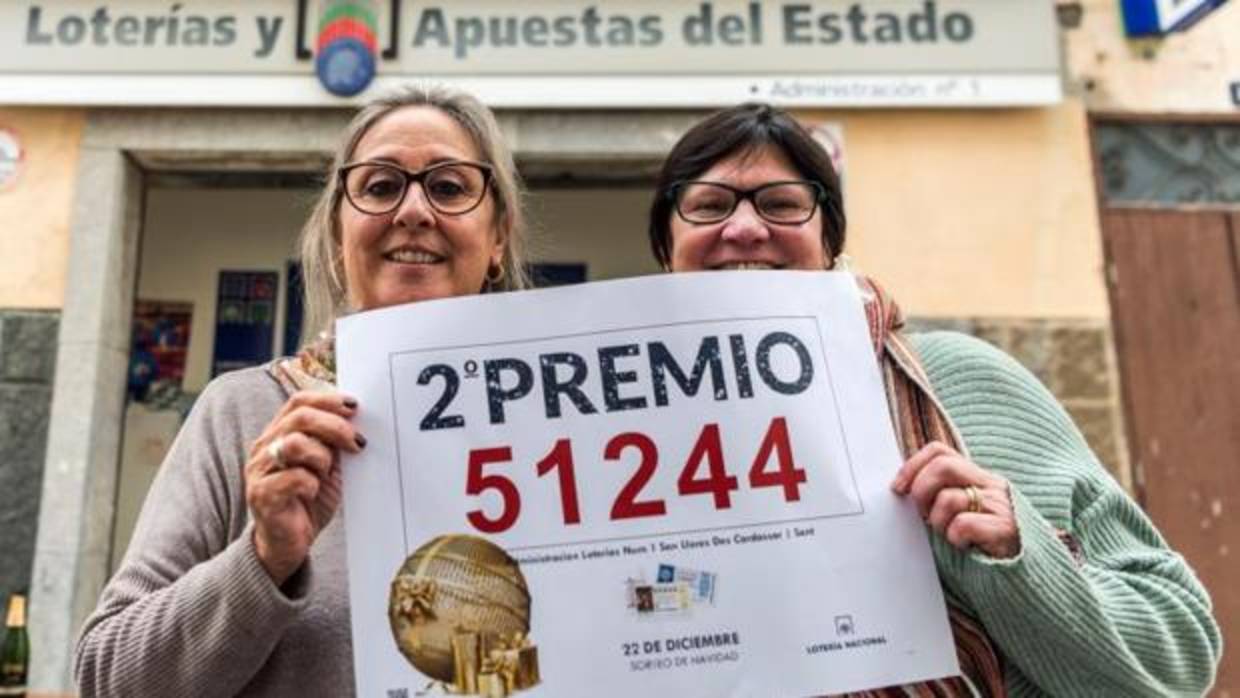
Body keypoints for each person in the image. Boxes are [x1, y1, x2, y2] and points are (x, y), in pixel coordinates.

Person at [646, 103, 1222, 696]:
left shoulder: (963, 383)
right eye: (709, 206)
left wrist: (1019, 555)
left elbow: (1181, 657)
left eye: (782, 203)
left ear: (829, 242)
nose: (744, 229)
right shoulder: (599, 439)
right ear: (667, 248)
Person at [75, 86, 530, 697]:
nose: (414, 210)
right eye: (379, 186)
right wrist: (264, 557)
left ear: (498, 237)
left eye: (449, 187)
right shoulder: (244, 413)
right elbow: (109, 680)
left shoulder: (569, 429)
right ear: (339, 236)